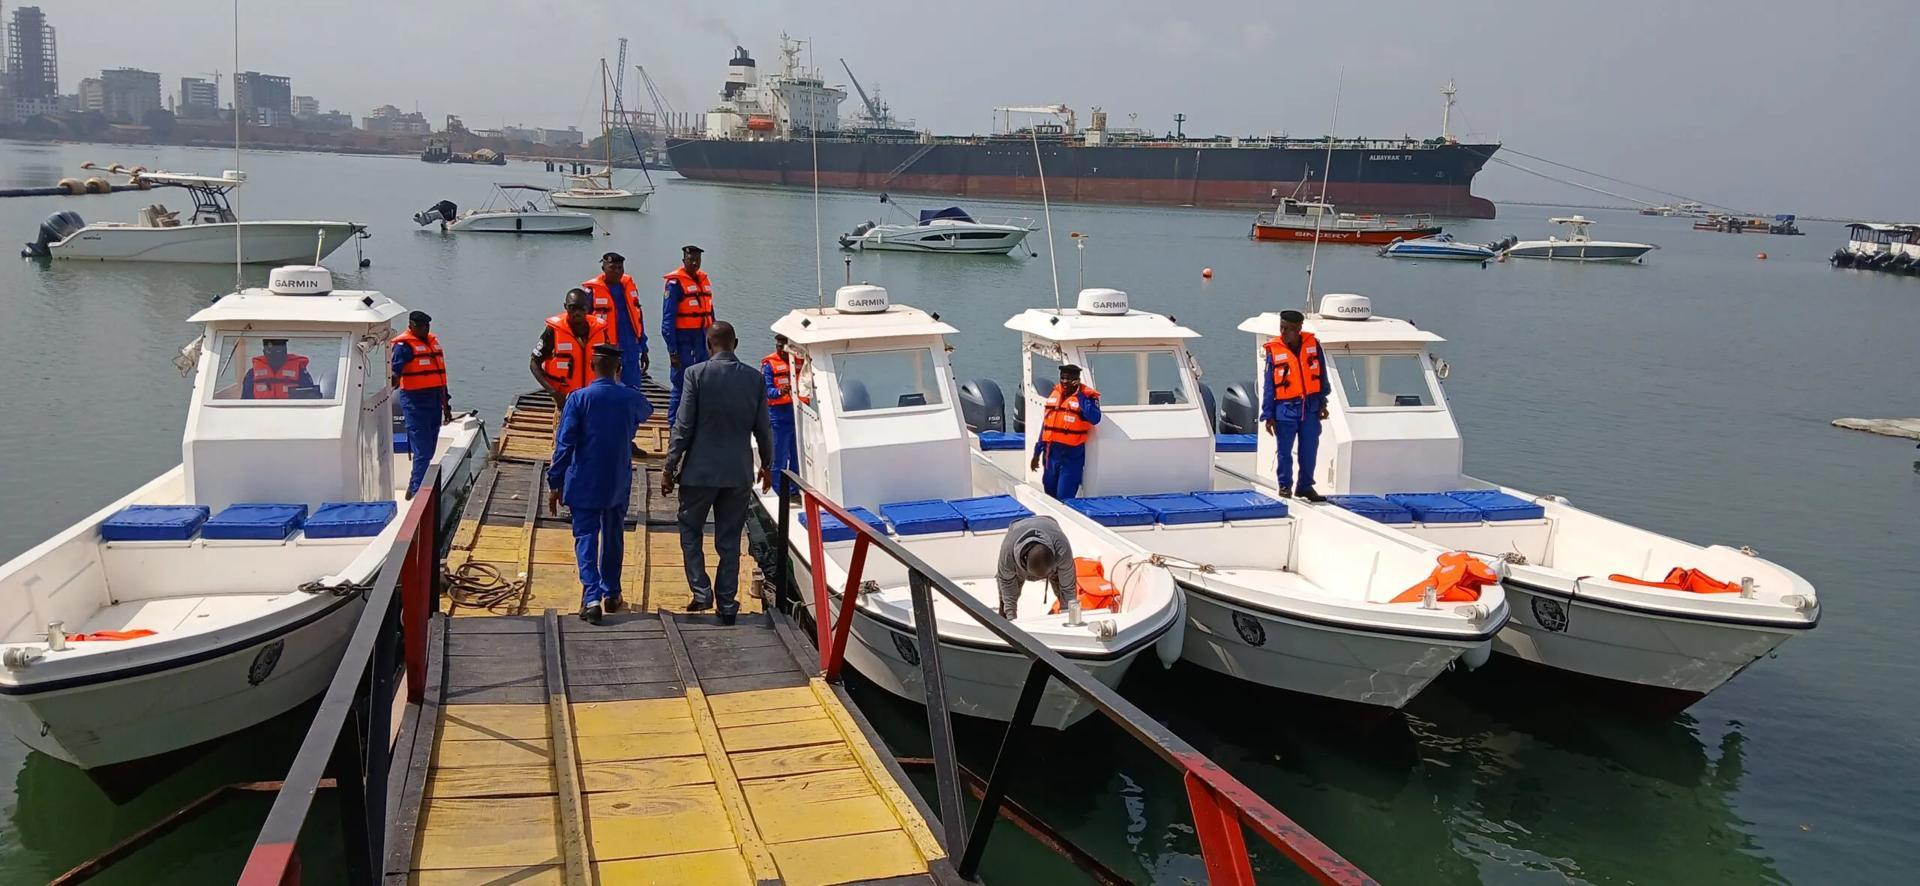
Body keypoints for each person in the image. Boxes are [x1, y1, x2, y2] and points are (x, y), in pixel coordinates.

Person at [661, 321, 772, 626]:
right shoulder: (754, 379)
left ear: (709, 345)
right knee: (730, 541)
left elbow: (682, 428)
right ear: (735, 343)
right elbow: (764, 428)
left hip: (699, 473)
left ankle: (701, 593)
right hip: (738, 473)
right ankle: (726, 603)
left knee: (690, 531)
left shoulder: (695, 375)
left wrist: (669, 467)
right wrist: (767, 465)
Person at [547, 343, 655, 624]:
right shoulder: (630, 398)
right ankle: (612, 592)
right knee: (613, 535)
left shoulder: (577, 398)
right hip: (616, 479)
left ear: (591, 367)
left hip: (583, 478)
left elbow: (564, 444)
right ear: (618, 368)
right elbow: (647, 411)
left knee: (585, 536)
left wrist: (554, 481)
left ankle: (591, 596)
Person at [1261, 309, 1328, 501]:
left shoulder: (1313, 345)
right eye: (1281, 327)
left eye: (1289, 329)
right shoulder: (1273, 351)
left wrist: (1323, 402)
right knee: (1284, 451)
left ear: (1299, 329)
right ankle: (1285, 486)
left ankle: (1305, 487)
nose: (1284, 332)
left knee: (1309, 450)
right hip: (1285, 410)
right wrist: (1268, 415)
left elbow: (1321, 376)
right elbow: (1269, 385)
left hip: (1311, 408)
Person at [391, 311, 454, 498]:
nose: (425, 330)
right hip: (414, 402)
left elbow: (440, 378)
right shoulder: (403, 346)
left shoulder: (432, 342)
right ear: (412, 326)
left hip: (435, 400)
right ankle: (417, 490)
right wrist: (392, 380)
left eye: (427, 326)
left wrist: (446, 406)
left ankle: (414, 484)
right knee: (423, 450)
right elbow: (394, 373)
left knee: (431, 448)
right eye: (421, 327)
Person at [661, 244, 716, 425]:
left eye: (697, 260)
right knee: (680, 383)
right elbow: (667, 321)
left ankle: (694, 423)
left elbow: (710, 313)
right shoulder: (675, 284)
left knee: (702, 383)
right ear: (684, 260)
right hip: (684, 340)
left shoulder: (703, 281)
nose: (694, 263)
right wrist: (672, 351)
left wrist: (713, 342)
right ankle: (673, 425)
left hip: (702, 339)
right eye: (691, 259)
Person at [530, 288, 613, 408]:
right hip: (566, 398)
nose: (577, 313)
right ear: (565, 306)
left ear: (588, 308)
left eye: (582, 308)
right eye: (573, 308)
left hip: (594, 397)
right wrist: (554, 393)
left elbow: (612, 363)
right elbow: (534, 363)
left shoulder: (600, 330)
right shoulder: (553, 331)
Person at [1030, 364, 1101, 500]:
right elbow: (1046, 426)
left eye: (1068, 379)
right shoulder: (1055, 394)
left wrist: (1080, 395)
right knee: (1049, 493)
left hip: (1071, 456)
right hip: (1051, 454)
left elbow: (1095, 418)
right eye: (1062, 378)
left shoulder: (1087, 398)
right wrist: (1036, 453)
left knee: (1064, 497)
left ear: (1076, 379)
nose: (1064, 382)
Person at [581, 252, 650, 387]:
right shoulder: (592, 292)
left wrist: (644, 348)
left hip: (630, 349)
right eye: (613, 268)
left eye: (620, 268)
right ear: (604, 268)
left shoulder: (629, 288)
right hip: (606, 351)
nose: (617, 272)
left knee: (633, 388)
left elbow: (638, 319)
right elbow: (583, 325)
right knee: (607, 388)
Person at [994, 515, 1077, 620]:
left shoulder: (1062, 550)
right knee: (1006, 600)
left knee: (1065, 597)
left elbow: (1068, 588)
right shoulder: (1007, 554)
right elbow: (1007, 583)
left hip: (1049, 526)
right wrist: (1011, 618)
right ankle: (1003, 615)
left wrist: (1069, 616)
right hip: (1018, 528)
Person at [760, 333, 805, 495]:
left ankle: (794, 490)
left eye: (784, 346)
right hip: (778, 414)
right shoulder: (769, 364)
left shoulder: (800, 361)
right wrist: (779, 391)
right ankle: (779, 490)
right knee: (779, 455)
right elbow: (766, 389)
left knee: (796, 455)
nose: (780, 350)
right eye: (778, 346)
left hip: (798, 413)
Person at [242, 338, 316, 399]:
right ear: (264, 352)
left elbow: (310, 398)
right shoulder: (252, 374)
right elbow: (245, 403)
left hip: (291, 414)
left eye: (280, 348)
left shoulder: (300, 371)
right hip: (262, 414)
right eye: (273, 349)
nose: (276, 354)